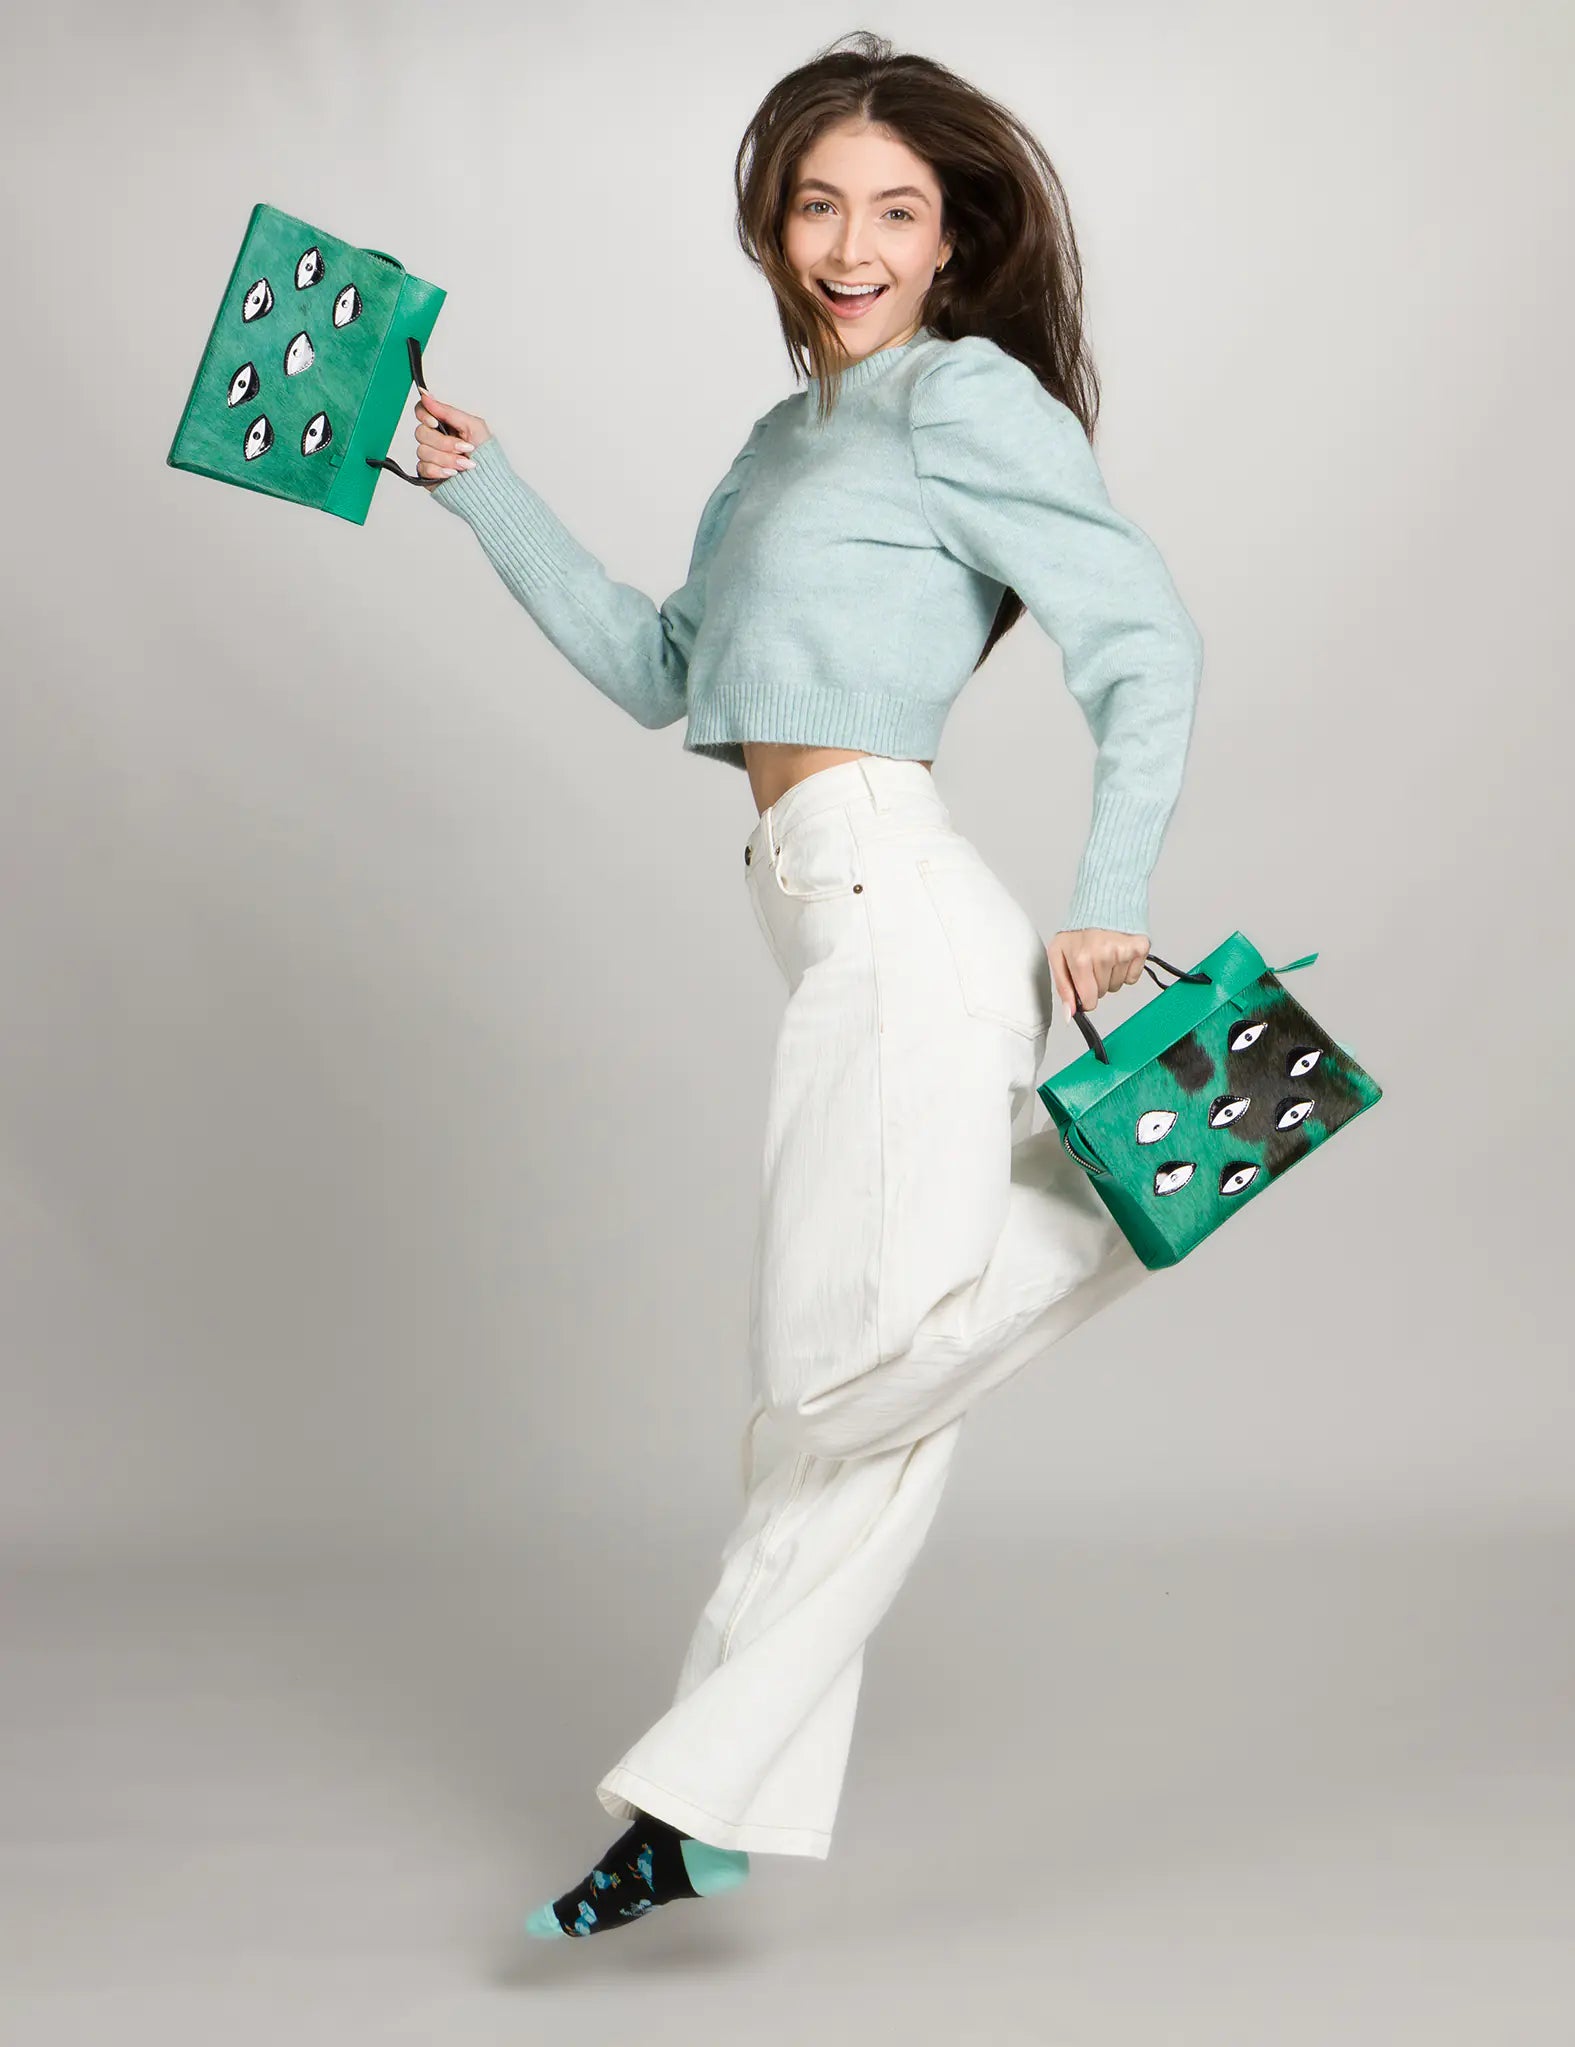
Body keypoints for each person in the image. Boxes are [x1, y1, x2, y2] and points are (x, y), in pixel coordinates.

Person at [414, 32, 1204, 1942]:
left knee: (827, 1387)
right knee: (841, 1385)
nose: (852, 242)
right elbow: (666, 669)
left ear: (954, 243)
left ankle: (693, 1802)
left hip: (900, 905)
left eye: (899, 212)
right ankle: (1111, 1196)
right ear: (778, 224)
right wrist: (478, 483)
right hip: (816, 909)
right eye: (821, 203)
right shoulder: (783, 444)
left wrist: (1109, 903)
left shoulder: (963, 400)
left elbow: (1143, 636)